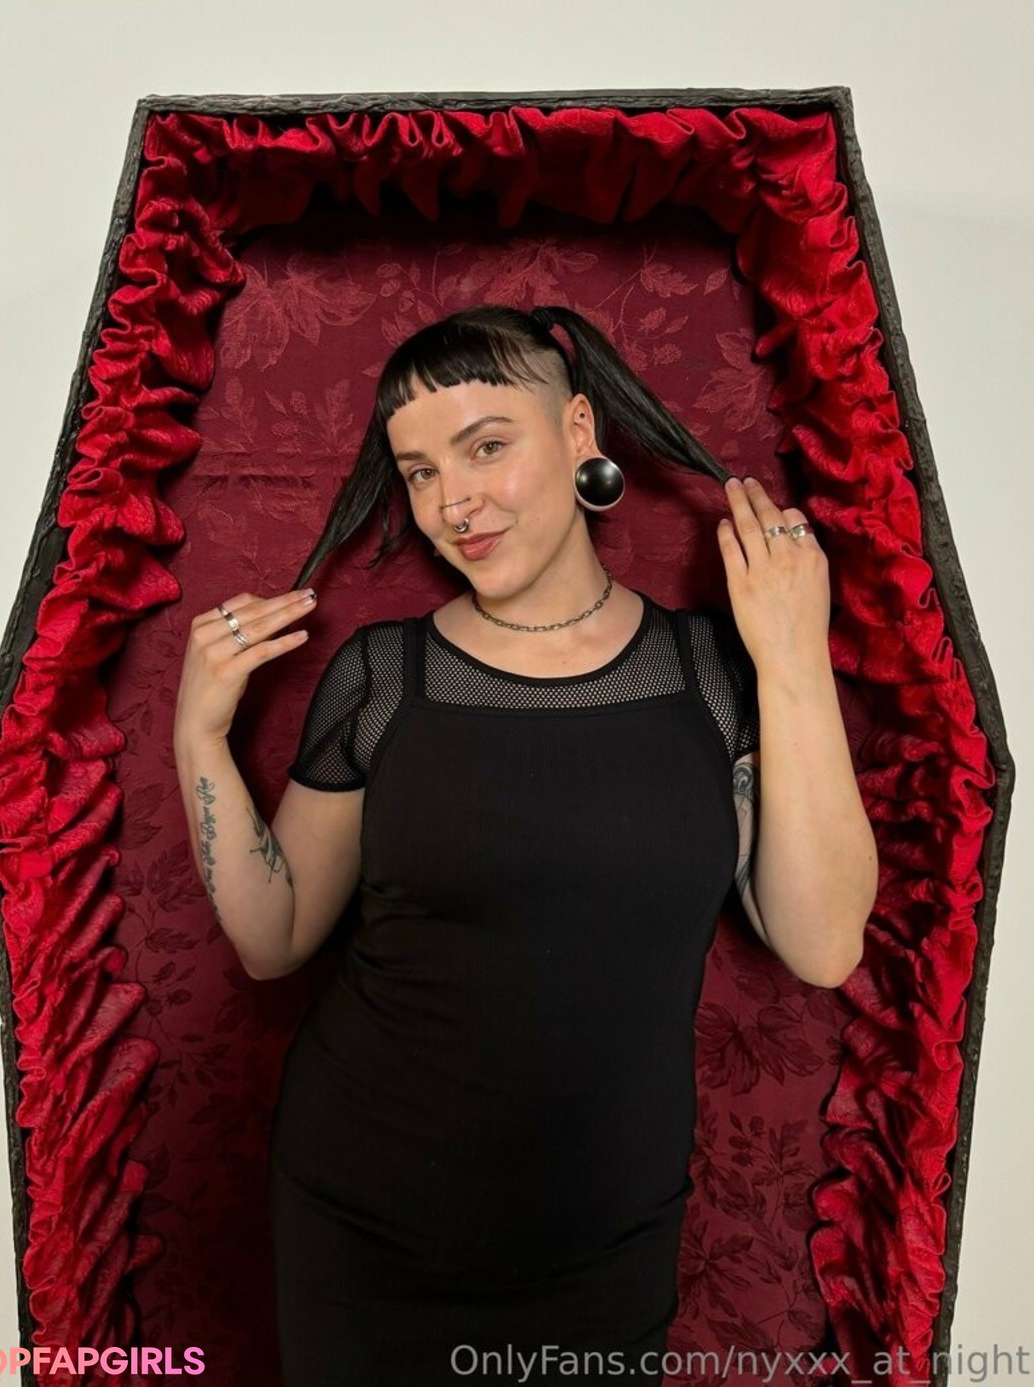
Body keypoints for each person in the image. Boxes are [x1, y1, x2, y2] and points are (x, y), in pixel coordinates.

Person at [173, 305, 877, 1385]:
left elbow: (824, 942)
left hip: (603, 1245)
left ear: (579, 431)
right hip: (366, 1226)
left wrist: (790, 655)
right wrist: (199, 736)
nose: (451, 502)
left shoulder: (711, 673)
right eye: (418, 472)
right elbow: (274, 938)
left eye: (486, 445)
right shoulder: (383, 677)